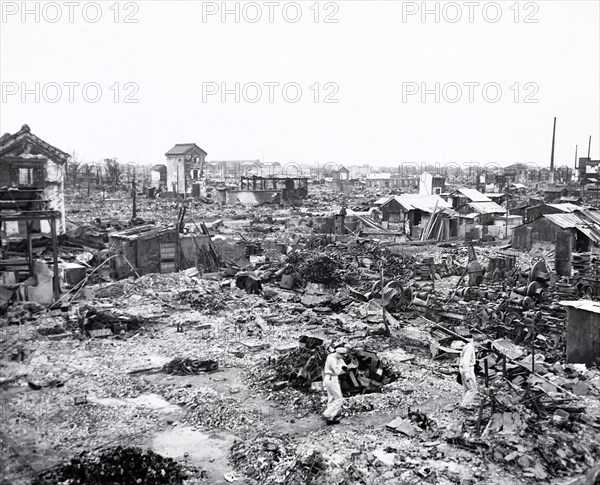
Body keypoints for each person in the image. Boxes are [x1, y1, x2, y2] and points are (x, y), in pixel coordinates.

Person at [322, 346, 349, 425]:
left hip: (329, 378)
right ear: (338, 353)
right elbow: (337, 371)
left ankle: (330, 419)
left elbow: (343, 365)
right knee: (339, 399)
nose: (342, 357)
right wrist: (342, 368)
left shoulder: (335, 357)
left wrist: (343, 365)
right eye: (342, 355)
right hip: (332, 378)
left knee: (331, 398)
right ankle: (327, 413)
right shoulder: (332, 359)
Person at [458, 334, 484, 410]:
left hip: (463, 368)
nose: (479, 346)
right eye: (480, 343)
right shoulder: (470, 348)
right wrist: (467, 373)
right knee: (473, 389)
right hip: (467, 369)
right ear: (476, 342)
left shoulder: (467, 346)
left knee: (467, 388)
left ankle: (465, 403)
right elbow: (465, 361)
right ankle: (464, 406)